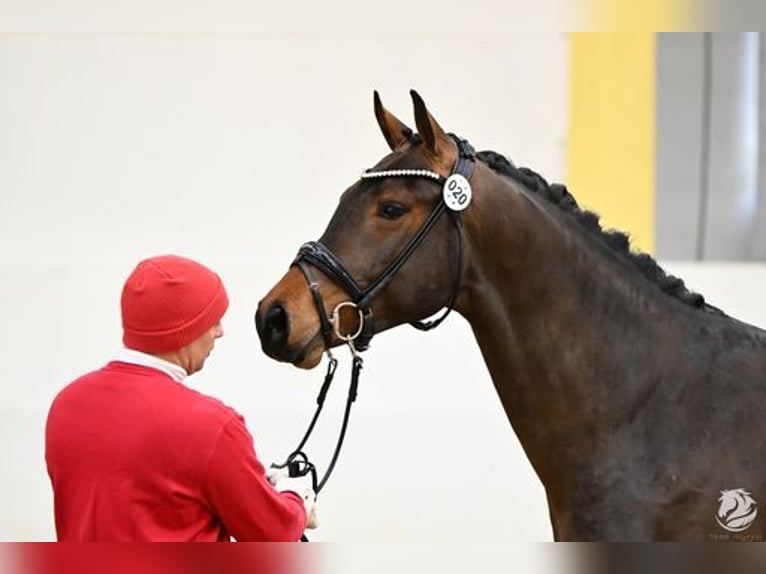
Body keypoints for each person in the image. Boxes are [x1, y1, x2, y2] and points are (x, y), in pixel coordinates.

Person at [45, 254, 317, 541]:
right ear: (183, 329)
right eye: (212, 321)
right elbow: (274, 533)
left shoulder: (66, 405)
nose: (220, 332)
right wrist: (296, 497)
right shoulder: (211, 425)